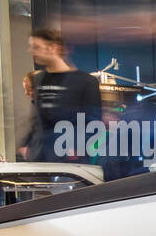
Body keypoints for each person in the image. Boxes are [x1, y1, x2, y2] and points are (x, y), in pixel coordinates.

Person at [24, 27, 101, 163]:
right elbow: (37, 120)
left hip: (70, 160)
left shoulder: (86, 81)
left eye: (36, 47)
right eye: (31, 47)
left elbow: (93, 123)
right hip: (38, 158)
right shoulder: (38, 79)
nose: (31, 51)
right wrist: (26, 144)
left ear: (53, 48)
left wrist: (77, 147)